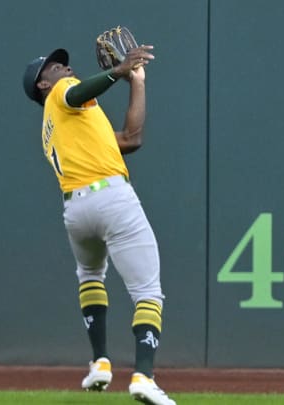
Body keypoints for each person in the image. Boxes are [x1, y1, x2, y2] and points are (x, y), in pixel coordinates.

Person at [22, 45, 175, 405]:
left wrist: (136, 82)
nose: (64, 67)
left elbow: (130, 139)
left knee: (90, 276)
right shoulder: (62, 95)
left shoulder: (64, 124)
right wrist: (119, 70)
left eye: (62, 63)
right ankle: (144, 377)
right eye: (54, 67)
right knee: (148, 292)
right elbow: (76, 91)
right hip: (112, 198)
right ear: (43, 86)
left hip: (76, 211)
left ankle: (100, 363)